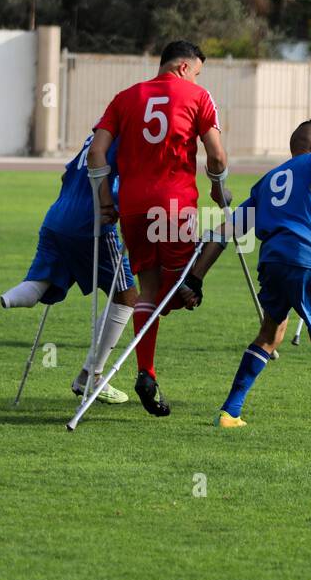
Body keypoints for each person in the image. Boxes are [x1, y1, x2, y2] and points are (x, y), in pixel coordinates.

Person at [189, 120, 311, 428]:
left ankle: (230, 412)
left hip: (273, 264)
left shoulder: (267, 182)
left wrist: (197, 276)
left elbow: (227, 231)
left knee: (270, 335)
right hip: (310, 260)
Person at [86, 40, 228, 417]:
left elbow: (95, 152)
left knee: (148, 292)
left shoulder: (125, 97)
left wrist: (104, 200)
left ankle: (146, 372)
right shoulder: (198, 96)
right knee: (182, 292)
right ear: (185, 67)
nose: (198, 77)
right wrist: (217, 186)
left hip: (133, 206)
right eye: (197, 71)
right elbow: (216, 154)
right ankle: (180, 299)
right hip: (175, 204)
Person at [0, 131, 139, 404]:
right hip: (92, 225)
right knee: (126, 295)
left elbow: (66, 176)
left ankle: (24, 294)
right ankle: (91, 375)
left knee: (47, 279)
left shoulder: (97, 137)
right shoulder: (131, 139)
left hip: (56, 218)